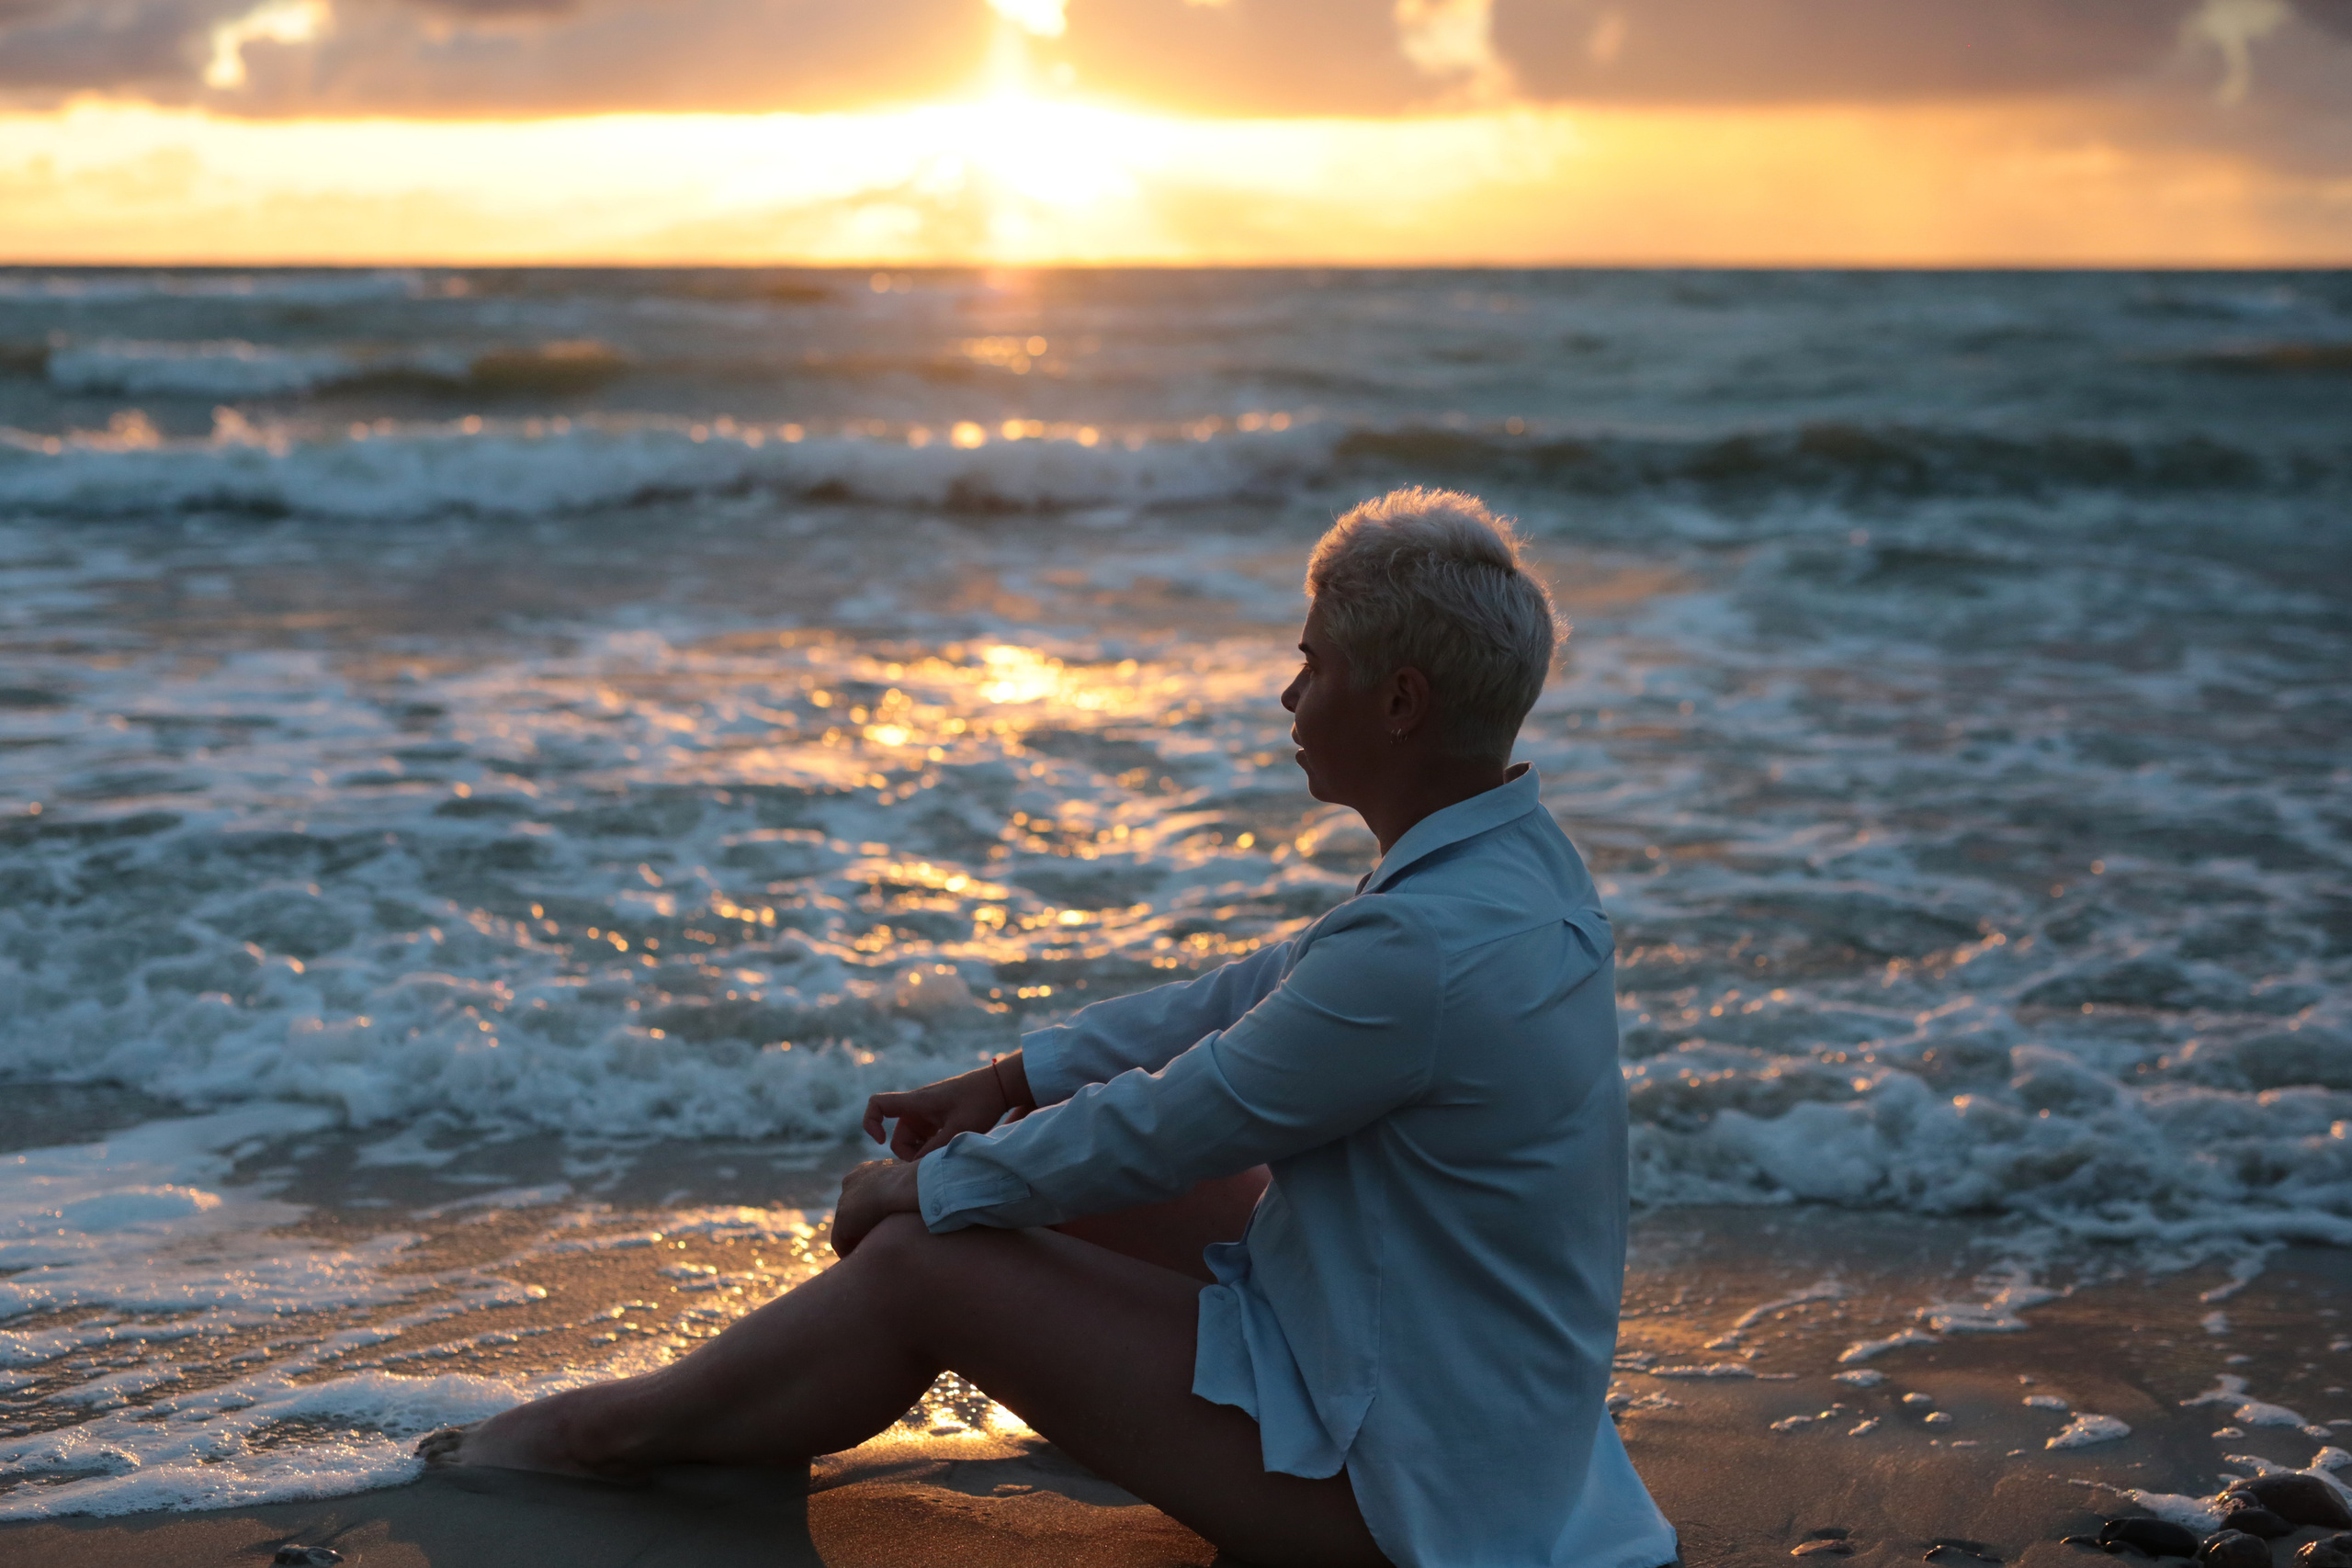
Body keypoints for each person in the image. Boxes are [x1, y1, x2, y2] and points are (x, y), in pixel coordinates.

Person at [417, 487, 1678, 1568]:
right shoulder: (1516, 869)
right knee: (1019, 1175)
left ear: (1400, 701)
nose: (1289, 692)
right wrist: (1014, 1077)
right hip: (1458, 1404)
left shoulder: (1421, 951)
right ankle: (745, 1422)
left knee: (928, 1258)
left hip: (1413, 1505)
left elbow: (1171, 1127)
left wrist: (921, 1189)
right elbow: (1249, 994)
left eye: (1314, 664)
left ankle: (603, 1436)